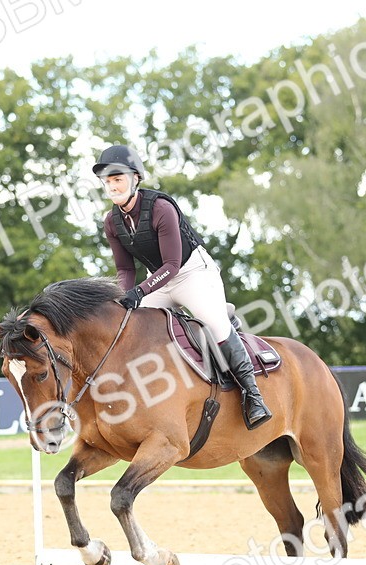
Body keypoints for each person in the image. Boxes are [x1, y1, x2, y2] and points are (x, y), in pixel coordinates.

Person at [92, 143, 272, 430]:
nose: (113, 186)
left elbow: (173, 265)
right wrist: (121, 299)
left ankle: (253, 396)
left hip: (193, 273)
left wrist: (139, 292)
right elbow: (125, 269)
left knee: (214, 324)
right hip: (158, 281)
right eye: (108, 181)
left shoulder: (161, 208)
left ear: (135, 178)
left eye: (118, 179)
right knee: (127, 326)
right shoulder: (112, 222)